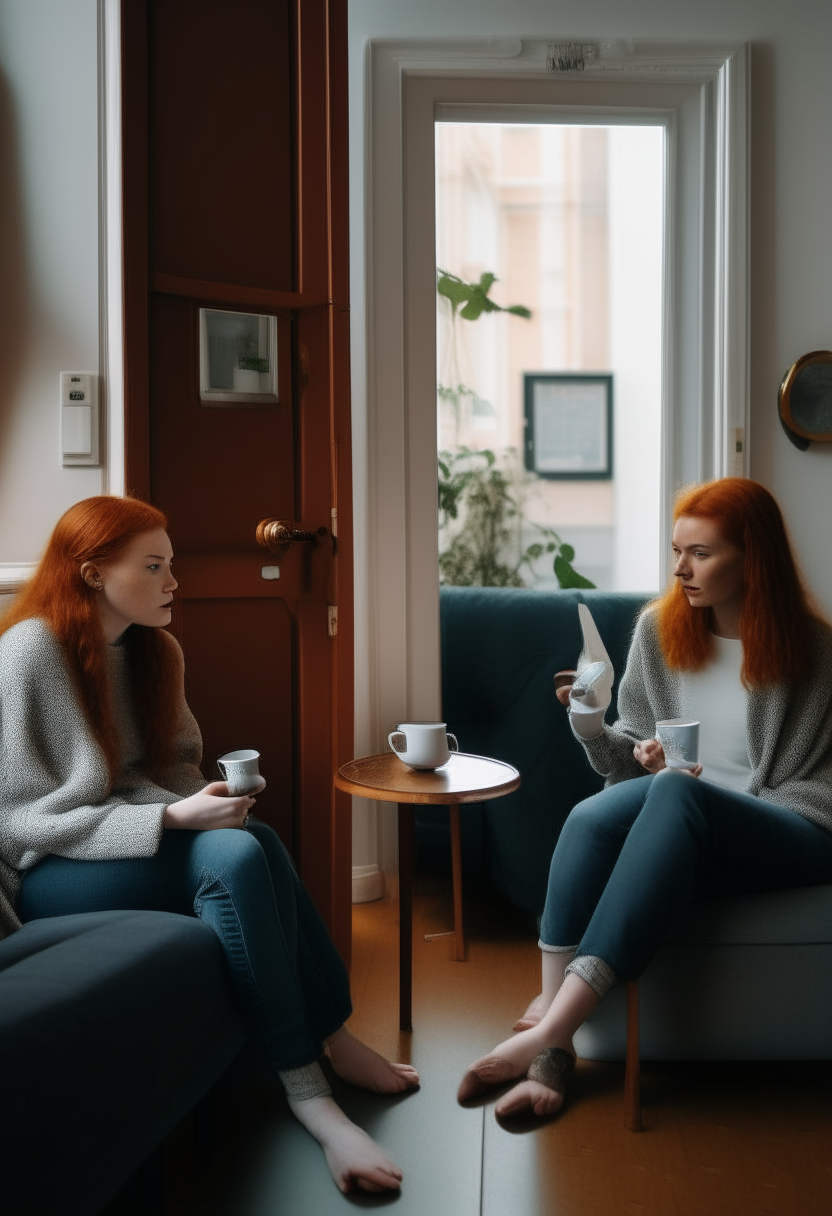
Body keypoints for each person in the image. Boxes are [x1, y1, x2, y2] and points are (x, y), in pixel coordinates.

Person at [0, 495, 418, 1194]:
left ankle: (332, 1034)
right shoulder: (28, 654)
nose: (173, 584)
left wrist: (200, 805)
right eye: (154, 567)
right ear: (94, 572)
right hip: (49, 869)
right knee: (234, 854)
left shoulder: (153, 648)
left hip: (121, 843)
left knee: (251, 838)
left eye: (173, 566)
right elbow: (19, 820)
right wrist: (169, 823)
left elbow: (171, 771)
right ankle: (311, 1094)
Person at [458, 477, 832, 1118]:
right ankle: (554, 1060)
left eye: (702, 554)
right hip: (680, 813)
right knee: (593, 816)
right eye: (676, 550)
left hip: (791, 825)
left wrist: (675, 782)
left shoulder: (816, 651)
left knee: (675, 796)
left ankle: (548, 1033)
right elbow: (625, 759)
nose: (681, 569)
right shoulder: (659, 632)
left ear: (753, 559)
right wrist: (594, 728)